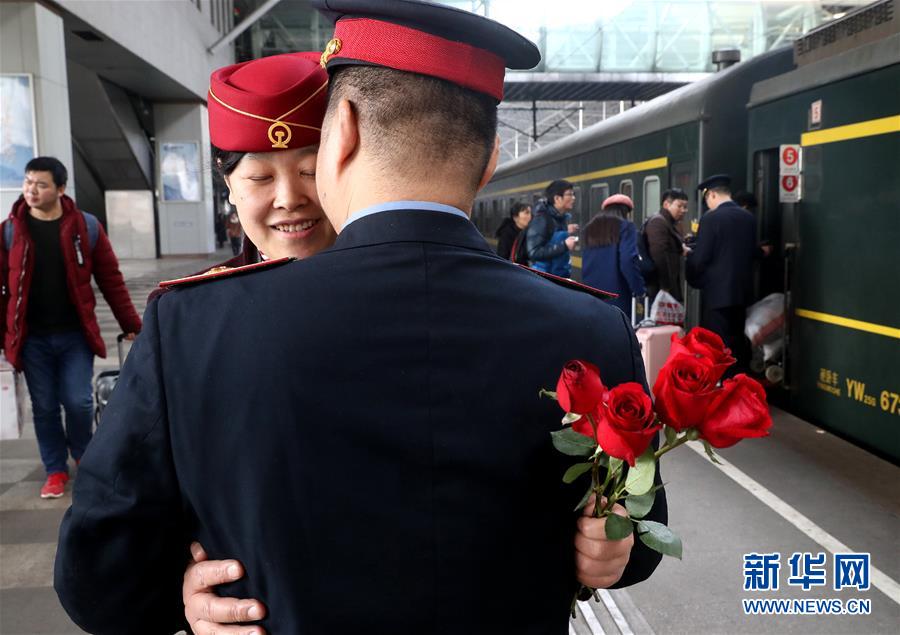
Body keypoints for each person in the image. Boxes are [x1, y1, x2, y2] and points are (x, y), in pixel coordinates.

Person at [55, 4, 667, 634]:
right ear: (489, 160)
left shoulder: (191, 325)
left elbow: (97, 582)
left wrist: (182, 594)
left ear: (340, 129)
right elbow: (643, 526)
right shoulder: (592, 325)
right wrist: (615, 548)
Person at [0, 156, 141, 499]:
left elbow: (110, 279)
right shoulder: (9, 230)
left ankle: (82, 453)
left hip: (75, 335)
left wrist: (130, 324)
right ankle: (55, 469)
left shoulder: (85, 227)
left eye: (41, 184)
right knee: (45, 406)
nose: (31, 190)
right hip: (31, 338)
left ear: (61, 189)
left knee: (78, 401)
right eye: (28, 182)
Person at [686, 174, 756, 373]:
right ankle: (737, 380)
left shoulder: (711, 218)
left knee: (719, 343)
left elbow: (701, 257)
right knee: (737, 340)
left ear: (712, 195)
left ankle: (723, 381)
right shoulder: (748, 218)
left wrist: (691, 270)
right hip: (741, 293)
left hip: (717, 294)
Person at [581, 194, 646, 316]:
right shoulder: (626, 227)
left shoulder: (589, 229)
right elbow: (628, 260)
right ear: (625, 211)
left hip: (591, 292)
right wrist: (639, 289)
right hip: (617, 294)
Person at [526, 179, 579, 277]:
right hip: (545, 278)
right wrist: (564, 245)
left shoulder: (561, 218)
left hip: (557, 275)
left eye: (573, 194)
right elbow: (534, 252)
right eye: (570, 194)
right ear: (557, 198)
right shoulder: (542, 219)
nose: (573, 198)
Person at [644, 188, 689, 304]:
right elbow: (659, 254)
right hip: (660, 289)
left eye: (685, 207)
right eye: (679, 206)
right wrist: (666, 286)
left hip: (666, 288)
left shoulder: (669, 223)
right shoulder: (658, 222)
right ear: (666, 204)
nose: (683, 210)